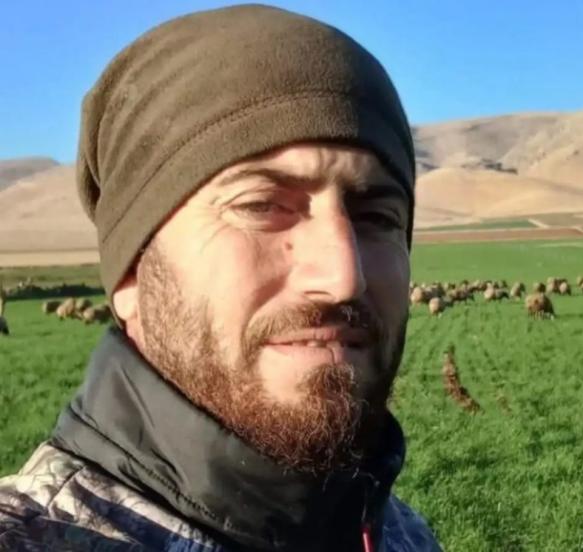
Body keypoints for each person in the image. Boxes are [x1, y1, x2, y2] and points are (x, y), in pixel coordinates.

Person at [0, 5, 442, 551]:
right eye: (260, 205)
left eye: (377, 216)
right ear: (132, 272)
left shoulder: (404, 536)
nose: (343, 277)